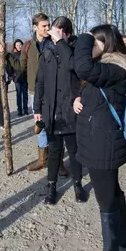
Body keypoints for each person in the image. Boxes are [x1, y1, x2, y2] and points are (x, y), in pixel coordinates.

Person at [74, 24, 126, 251]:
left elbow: (82, 67)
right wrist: (79, 100)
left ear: (107, 43)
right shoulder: (110, 66)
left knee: (106, 199)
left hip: (102, 145)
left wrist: (83, 35)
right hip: (104, 140)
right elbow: (93, 87)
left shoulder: (115, 67)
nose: (89, 46)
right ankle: (122, 238)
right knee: (113, 190)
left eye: (94, 42)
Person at [35, 16, 86, 205]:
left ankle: (78, 185)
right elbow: (39, 82)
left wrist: (61, 42)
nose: (53, 35)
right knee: (55, 150)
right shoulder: (47, 52)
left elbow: (76, 68)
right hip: (51, 110)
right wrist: (37, 108)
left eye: (57, 31)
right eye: (52, 31)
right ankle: (51, 187)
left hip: (71, 109)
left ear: (67, 33)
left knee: (74, 150)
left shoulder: (76, 50)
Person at [22, 13, 67, 176]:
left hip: (54, 91)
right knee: (40, 125)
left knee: (58, 124)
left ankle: (60, 162)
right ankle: (42, 160)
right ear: (35, 27)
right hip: (35, 91)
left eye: (48, 25)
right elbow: (21, 66)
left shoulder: (53, 43)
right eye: (44, 26)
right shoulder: (28, 46)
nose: (47, 28)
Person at [12, 39, 29, 116]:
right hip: (17, 78)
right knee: (18, 94)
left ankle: (25, 109)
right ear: (15, 46)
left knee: (25, 94)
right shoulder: (13, 54)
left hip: (25, 77)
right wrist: (13, 75)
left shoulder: (25, 53)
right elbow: (10, 67)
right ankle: (19, 110)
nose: (19, 46)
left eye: (20, 45)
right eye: (17, 45)